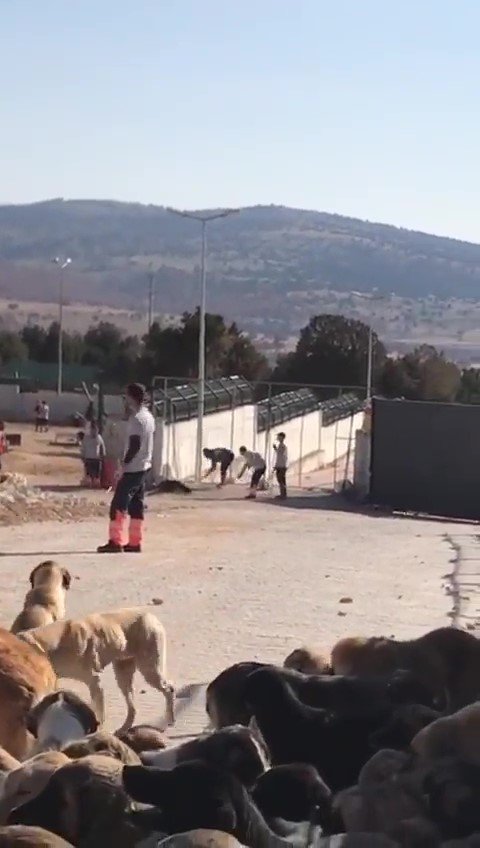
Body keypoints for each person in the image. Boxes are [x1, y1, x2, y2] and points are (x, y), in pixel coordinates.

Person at [97, 383, 155, 554]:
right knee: (136, 505)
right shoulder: (148, 416)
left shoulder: (137, 419)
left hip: (134, 467)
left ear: (131, 397)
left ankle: (115, 541)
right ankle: (135, 542)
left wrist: (124, 464)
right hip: (144, 465)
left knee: (118, 505)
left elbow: (135, 444)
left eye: (126, 396)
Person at [80, 421, 105, 487]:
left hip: (97, 459)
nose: (94, 431)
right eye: (93, 429)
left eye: (96, 430)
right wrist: (82, 456)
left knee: (97, 473)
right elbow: (83, 447)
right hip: (88, 458)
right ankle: (88, 482)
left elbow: (102, 447)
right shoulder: (86, 438)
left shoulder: (99, 438)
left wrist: (103, 455)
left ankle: (96, 483)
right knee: (88, 472)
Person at [273, 431, 288, 499]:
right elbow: (279, 454)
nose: (277, 438)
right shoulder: (280, 445)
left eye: (279, 436)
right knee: (281, 480)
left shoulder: (282, 446)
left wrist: (277, 466)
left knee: (281, 480)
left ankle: (283, 494)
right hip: (280, 465)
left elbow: (281, 456)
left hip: (281, 466)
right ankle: (283, 494)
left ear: (282, 437)